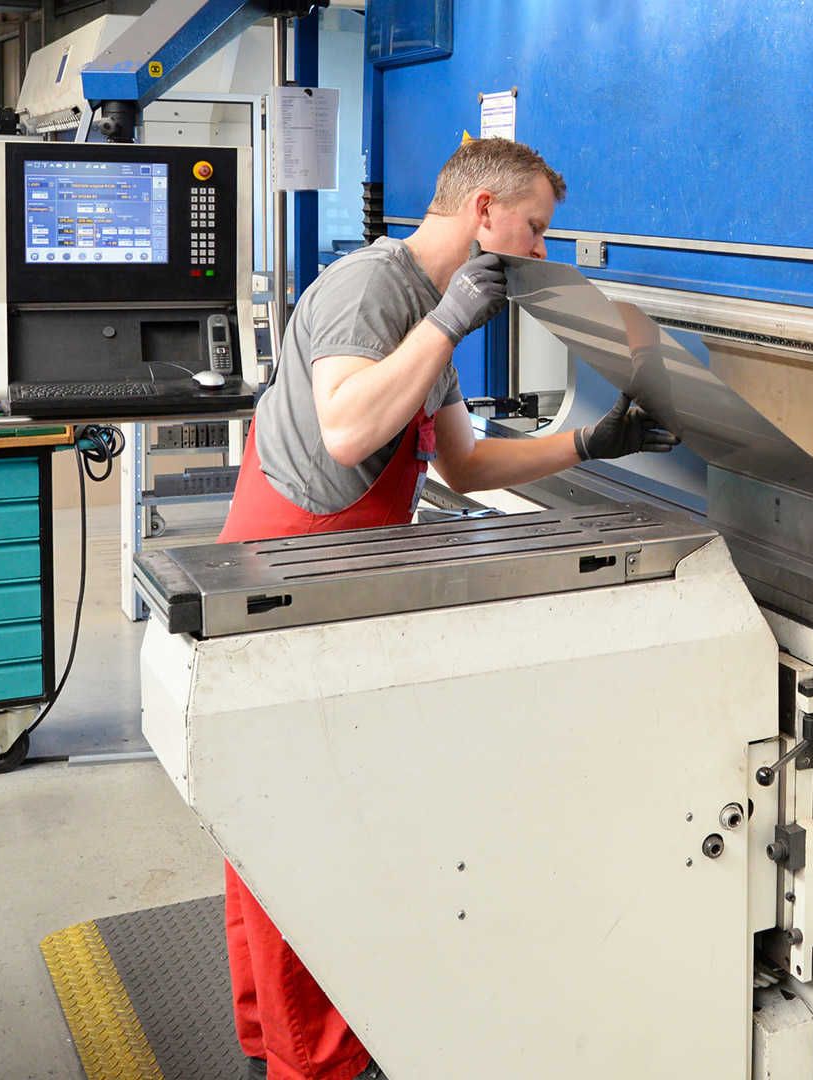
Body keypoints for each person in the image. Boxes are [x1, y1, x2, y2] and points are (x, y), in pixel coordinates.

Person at [217, 138, 675, 1080]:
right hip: (287, 579)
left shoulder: (431, 313)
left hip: (342, 574)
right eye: (535, 230)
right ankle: (316, 1063)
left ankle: (276, 1043)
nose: (541, 253)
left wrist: (589, 442)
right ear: (483, 215)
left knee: (265, 822)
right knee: (302, 834)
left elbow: (463, 464)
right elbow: (347, 428)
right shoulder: (373, 290)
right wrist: (453, 318)